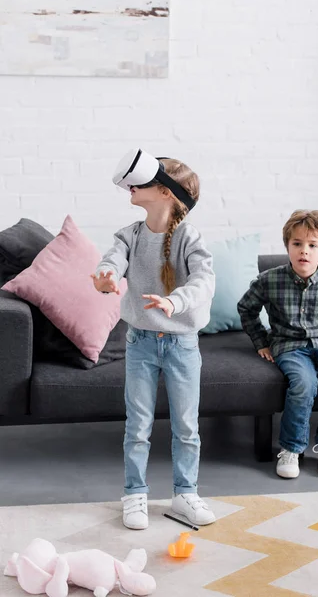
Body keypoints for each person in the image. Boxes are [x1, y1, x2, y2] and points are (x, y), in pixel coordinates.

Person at [92, 149, 216, 529]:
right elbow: (112, 259)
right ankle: (135, 494)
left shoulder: (189, 238)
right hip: (140, 343)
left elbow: (203, 280)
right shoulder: (129, 234)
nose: (132, 186)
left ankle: (185, 494)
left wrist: (174, 301)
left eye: (145, 180)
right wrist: (105, 276)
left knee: (186, 425)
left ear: (166, 193)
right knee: (138, 424)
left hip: (182, 345)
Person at [237, 209, 318, 479]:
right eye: (297, 244)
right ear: (287, 246)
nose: (304, 252)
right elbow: (246, 309)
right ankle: (291, 448)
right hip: (289, 346)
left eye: (312, 245)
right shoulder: (269, 280)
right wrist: (261, 341)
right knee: (303, 384)